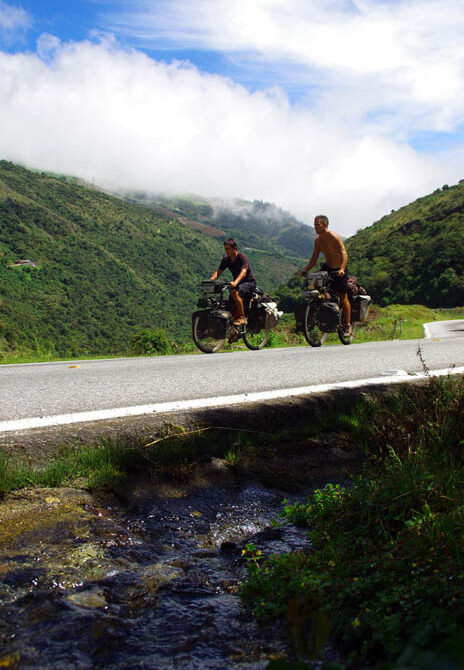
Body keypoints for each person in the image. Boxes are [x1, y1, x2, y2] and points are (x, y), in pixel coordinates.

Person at [300, 214, 351, 334]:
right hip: (327, 268)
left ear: (325, 225)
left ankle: (347, 324)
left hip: (339, 269)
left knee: (343, 296)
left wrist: (342, 269)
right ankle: (320, 311)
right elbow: (314, 258)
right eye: (314, 225)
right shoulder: (318, 241)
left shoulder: (333, 236)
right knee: (315, 286)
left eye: (317, 224)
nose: (315, 227)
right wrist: (306, 269)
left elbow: (344, 252)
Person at [210, 238, 256, 326]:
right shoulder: (226, 259)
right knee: (228, 304)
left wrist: (235, 283)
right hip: (238, 284)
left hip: (249, 282)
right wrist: (210, 281)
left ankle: (242, 318)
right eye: (225, 249)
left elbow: (243, 272)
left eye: (228, 249)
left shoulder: (242, 257)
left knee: (235, 293)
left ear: (235, 248)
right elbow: (218, 272)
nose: (226, 251)